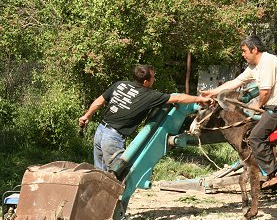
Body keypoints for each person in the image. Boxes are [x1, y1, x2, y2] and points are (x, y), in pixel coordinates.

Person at [201, 35, 277, 188]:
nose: (243, 54)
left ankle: (276, 172)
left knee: (255, 137)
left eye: (244, 51)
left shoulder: (267, 62)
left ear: (254, 50)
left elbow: (265, 92)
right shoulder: (254, 66)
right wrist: (212, 92)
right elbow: (235, 82)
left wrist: (258, 106)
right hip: (273, 107)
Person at [79, 64, 210, 174]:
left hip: (100, 131)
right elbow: (179, 98)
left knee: (99, 173)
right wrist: (201, 99)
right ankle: (114, 204)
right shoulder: (149, 96)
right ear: (146, 82)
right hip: (113, 138)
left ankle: (100, 204)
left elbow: (99, 101)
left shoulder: (120, 85)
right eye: (153, 77)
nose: (154, 79)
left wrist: (87, 116)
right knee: (118, 174)